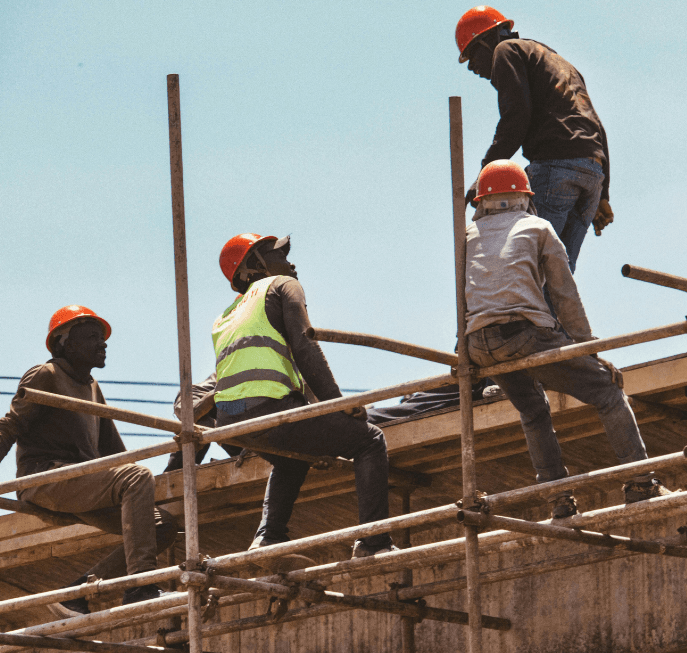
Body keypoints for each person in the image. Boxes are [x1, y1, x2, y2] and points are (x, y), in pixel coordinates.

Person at [464, 161, 668, 519]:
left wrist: (466, 356)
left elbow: (462, 298)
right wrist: (590, 349)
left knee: (532, 410)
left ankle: (558, 498)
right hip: (524, 332)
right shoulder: (537, 227)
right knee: (607, 391)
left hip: (479, 345)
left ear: (482, 201)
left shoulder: (466, 237)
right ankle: (641, 482)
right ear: (524, 197)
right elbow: (564, 295)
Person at [211, 232, 395, 557]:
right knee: (369, 440)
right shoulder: (282, 285)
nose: (289, 262)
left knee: (291, 463)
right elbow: (304, 345)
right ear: (254, 265)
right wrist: (338, 403)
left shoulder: (225, 315)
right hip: (270, 409)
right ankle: (374, 542)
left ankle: (268, 539)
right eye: (277, 254)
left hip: (230, 425)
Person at [0, 305, 179, 617]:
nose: (103, 344)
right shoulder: (46, 374)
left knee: (162, 526)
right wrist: (136, 477)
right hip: (46, 480)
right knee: (135, 477)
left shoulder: (93, 388)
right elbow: (10, 425)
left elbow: (116, 455)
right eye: (92, 337)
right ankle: (139, 586)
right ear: (66, 343)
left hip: (80, 483)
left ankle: (79, 592)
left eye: (103, 337)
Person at [456, 5, 614, 273]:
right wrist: (603, 194)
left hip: (556, 168)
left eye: (472, 57)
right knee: (559, 274)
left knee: (530, 270)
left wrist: (485, 175)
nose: (473, 68)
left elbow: (516, 118)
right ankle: (553, 318)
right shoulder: (556, 61)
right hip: (592, 174)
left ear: (486, 41)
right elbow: (595, 125)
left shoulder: (506, 51)